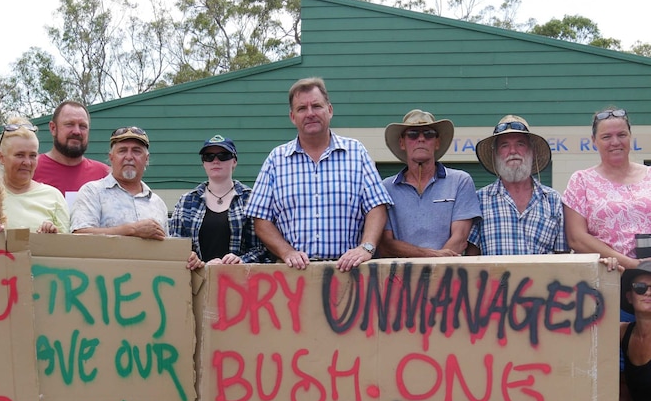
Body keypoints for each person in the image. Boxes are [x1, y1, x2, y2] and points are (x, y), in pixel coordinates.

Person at [246, 77, 392, 271]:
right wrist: (287, 252)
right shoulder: (276, 159)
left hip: (349, 272)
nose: (310, 113)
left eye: (316, 106)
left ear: (329, 110)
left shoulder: (356, 152)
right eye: (302, 108)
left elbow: (377, 207)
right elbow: (261, 219)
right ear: (292, 116)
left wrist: (365, 248)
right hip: (293, 277)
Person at [379, 109, 480, 257]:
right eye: (413, 134)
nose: (421, 139)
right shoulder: (386, 188)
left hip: (448, 275)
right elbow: (385, 244)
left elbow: (460, 239)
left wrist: (435, 267)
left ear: (437, 142)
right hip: (401, 277)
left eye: (428, 134)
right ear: (402, 143)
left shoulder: (460, 181)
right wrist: (430, 256)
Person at [563, 107, 651, 270]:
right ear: (594, 140)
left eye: (621, 135)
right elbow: (576, 237)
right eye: (606, 137)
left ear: (630, 137)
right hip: (607, 275)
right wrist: (631, 264)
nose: (615, 142)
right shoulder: (581, 181)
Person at [467, 115, 567, 255]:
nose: (513, 151)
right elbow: (472, 259)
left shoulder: (553, 200)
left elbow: (563, 259)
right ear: (495, 155)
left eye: (520, 144)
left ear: (532, 152)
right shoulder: (479, 200)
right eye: (504, 145)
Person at [169, 135, 268, 266]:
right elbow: (175, 246)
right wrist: (193, 259)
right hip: (197, 281)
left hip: (239, 281)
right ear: (203, 163)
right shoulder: (186, 202)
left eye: (223, 155)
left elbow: (263, 248)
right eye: (208, 156)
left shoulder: (251, 199)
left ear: (234, 161)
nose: (215, 160)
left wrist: (241, 260)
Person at [70, 126, 168, 240]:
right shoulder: (92, 192)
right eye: (122, 151)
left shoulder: (158, 204)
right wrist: (132, 230)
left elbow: (166, 246)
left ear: (146, 159)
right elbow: (79, 236)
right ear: (111, 157)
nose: (129, 157)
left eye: (136, 151)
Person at [0, 118, 69, 233]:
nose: (27, 162)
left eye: (32, 155)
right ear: (1, 157)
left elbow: (67, 247)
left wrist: (53, 237)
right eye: (19, 155)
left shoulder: (53, 197)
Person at [33, 100, 109, 203]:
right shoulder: (31, 168)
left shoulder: (104, 174)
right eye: (69, 124)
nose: (77, 131)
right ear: (53, 128)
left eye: (83, 126)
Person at [618, 262, 651, 401]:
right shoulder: (623, 332)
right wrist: (607, 269)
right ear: (629, 296)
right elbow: (586, 315)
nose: (648, 292)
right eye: (641, 287)